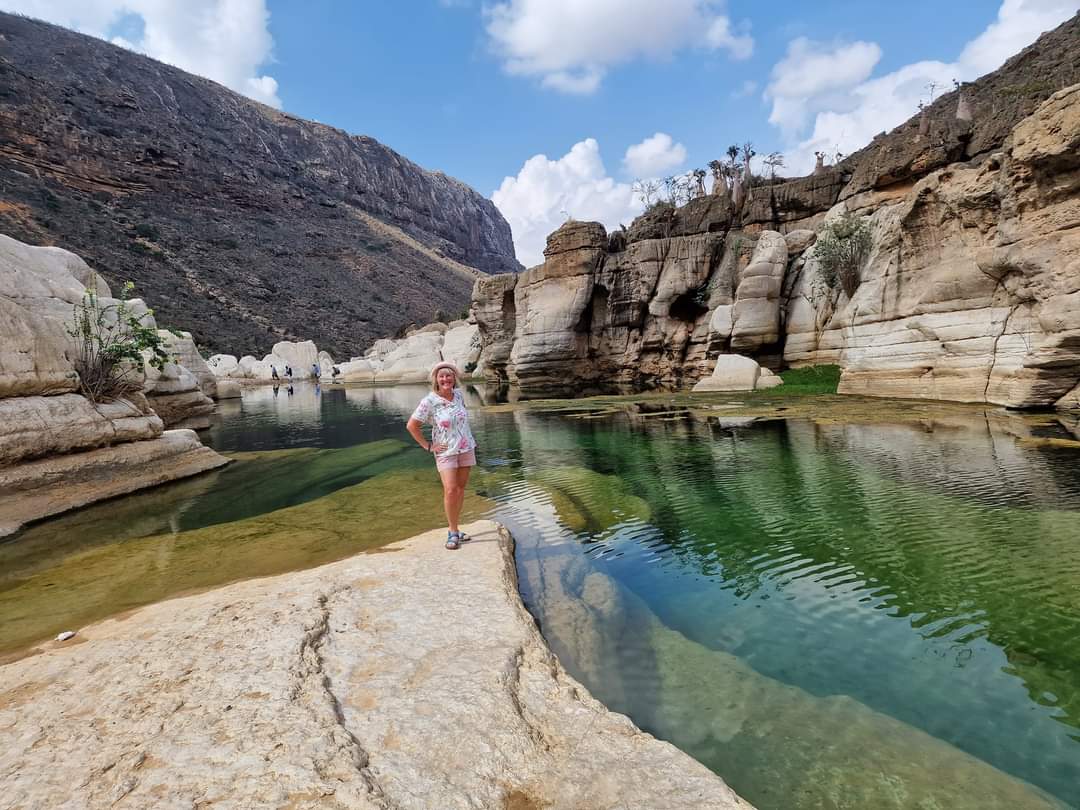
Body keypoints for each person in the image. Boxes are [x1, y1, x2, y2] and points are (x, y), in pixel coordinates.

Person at [406, 361, 477, 550]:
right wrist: (428, 446)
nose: (445, 379)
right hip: (445, 451)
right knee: (450, 490)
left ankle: (456, 527)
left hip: (466, 447)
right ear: (436, 380)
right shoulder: (430, 401)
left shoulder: (459, 395)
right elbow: (412, 426)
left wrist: (451, 366)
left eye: (449, 375)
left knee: (460, 490)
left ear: (454, 378)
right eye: (441, 376)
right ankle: (452, 531)